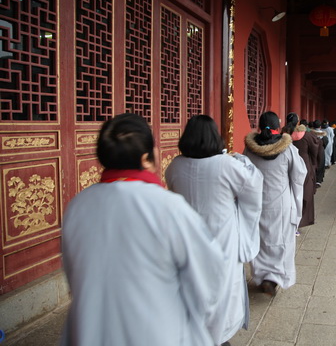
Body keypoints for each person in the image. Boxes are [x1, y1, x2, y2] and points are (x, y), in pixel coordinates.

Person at [61, 113, 225, 346]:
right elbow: (208, 273)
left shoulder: (78, 206)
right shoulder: (168, 207)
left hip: (88, 330)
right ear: (147, 157)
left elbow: (74, 273)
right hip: (156, 332)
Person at [165, 115, 263, 346]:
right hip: (222, 238)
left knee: (191, 287)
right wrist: (244, 163)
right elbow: (254, 188)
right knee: (222, 289)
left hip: (187, 239)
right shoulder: (227, 165)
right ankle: (217, 337)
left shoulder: (175, 166)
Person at [243, 111, 307, 296]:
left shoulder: (249, 149)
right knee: (282, 242)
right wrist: (296, 203)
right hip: (281, 203)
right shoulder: (288, 149)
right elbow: (298, 177)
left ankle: (263, 276)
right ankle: (276, 277)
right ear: (278, 128)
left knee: (260, 241)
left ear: (260, 127)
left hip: (256, 203)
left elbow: (243, 174)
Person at [282, 113, 320, 228]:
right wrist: (313, 163)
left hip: (285, 165)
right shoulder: (306, 135)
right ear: (297, 122)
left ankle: (287, 220)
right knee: (304, 193)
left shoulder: (282, 134)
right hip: (304, 165)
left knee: (289, 192)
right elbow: (315, 151)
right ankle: (301, 220)